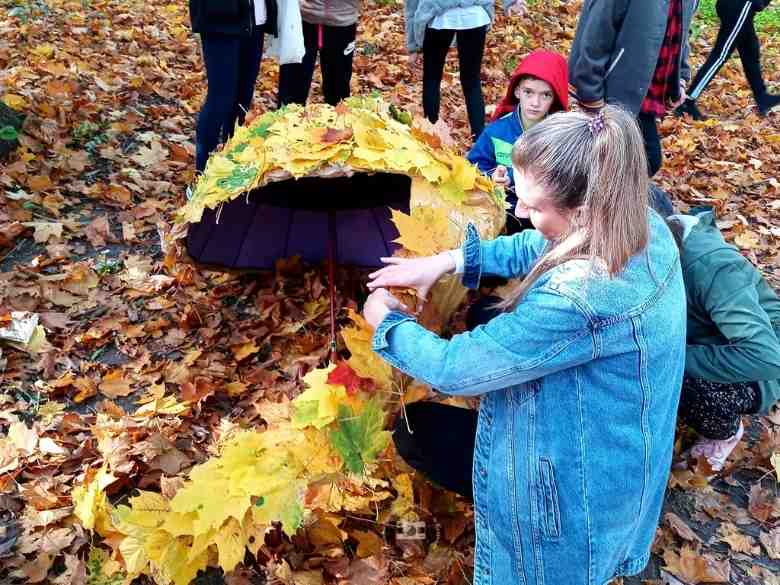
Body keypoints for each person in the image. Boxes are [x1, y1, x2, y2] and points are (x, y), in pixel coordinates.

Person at [364, 106, 686, 584]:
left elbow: (456, 368)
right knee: (426, 429)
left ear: (583, 210)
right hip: (612, 456)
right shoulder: (640, 224)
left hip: (572, 491)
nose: (519, 213)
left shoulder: (581, 297)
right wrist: (450, 261)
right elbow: (538, 247)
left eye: (534, 207)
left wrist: (387, 324)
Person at [668, 208, 780, 471]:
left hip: (759, 369)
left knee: (670, 370)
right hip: (708, 337)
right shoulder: (665, 244)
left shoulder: (712, 267)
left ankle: (724, 432)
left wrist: (674, 355)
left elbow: (765, 356)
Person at [568, 0, 696, 176]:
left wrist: (680, 77)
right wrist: (590, 92)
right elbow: (597, 32)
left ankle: (609, 199)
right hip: (612, 92)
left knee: (641, 161)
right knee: (634, 160)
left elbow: (681, 31)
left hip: (643, 95)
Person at [467, 49, 568, 232]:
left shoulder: (560, 136)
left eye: (545, 95)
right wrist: (492, 177)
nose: (535, 102)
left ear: (554, 98)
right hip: (504, 212)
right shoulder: (496, 132)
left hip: (544, 219)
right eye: (529, 92)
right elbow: (473, 167)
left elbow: (566, 178)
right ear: (517, 92)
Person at [404, 0, 527, 141]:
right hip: (474, 15)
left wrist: (413, 45)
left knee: (432, 78)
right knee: (471, 81)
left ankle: (430, 135)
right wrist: (511, 3)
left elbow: (412, 4)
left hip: (438, 15)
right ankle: (480, 141)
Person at [189, 0, 279, 172]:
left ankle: (231, 165)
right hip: (220, 18)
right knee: (221, 98)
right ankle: (202, 174)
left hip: (254, 19)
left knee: (242, 97)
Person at [676, 0, 779, 120]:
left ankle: (762, 97)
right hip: (740, 5)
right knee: (721, 55)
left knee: (750, 51)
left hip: (741, 6)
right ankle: (688, 101)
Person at [277, 0, 360, 107]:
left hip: (343, 20)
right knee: (292, 92)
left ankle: (338, 122)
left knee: (338, 92)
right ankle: (285, 121)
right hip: (301, 19)